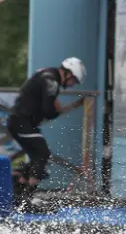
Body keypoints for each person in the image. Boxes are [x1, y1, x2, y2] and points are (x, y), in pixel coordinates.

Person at [6, 57, 85, 206]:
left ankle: (19, 192)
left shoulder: (47, 73)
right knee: (42, 153)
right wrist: (57, 110)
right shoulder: (52, 81)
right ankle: (27, 197)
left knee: (36, 156)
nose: (72, 85)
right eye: (74, 80)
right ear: (68, 73)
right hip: (21, 122)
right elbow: (48, 111)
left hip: (20, 121)